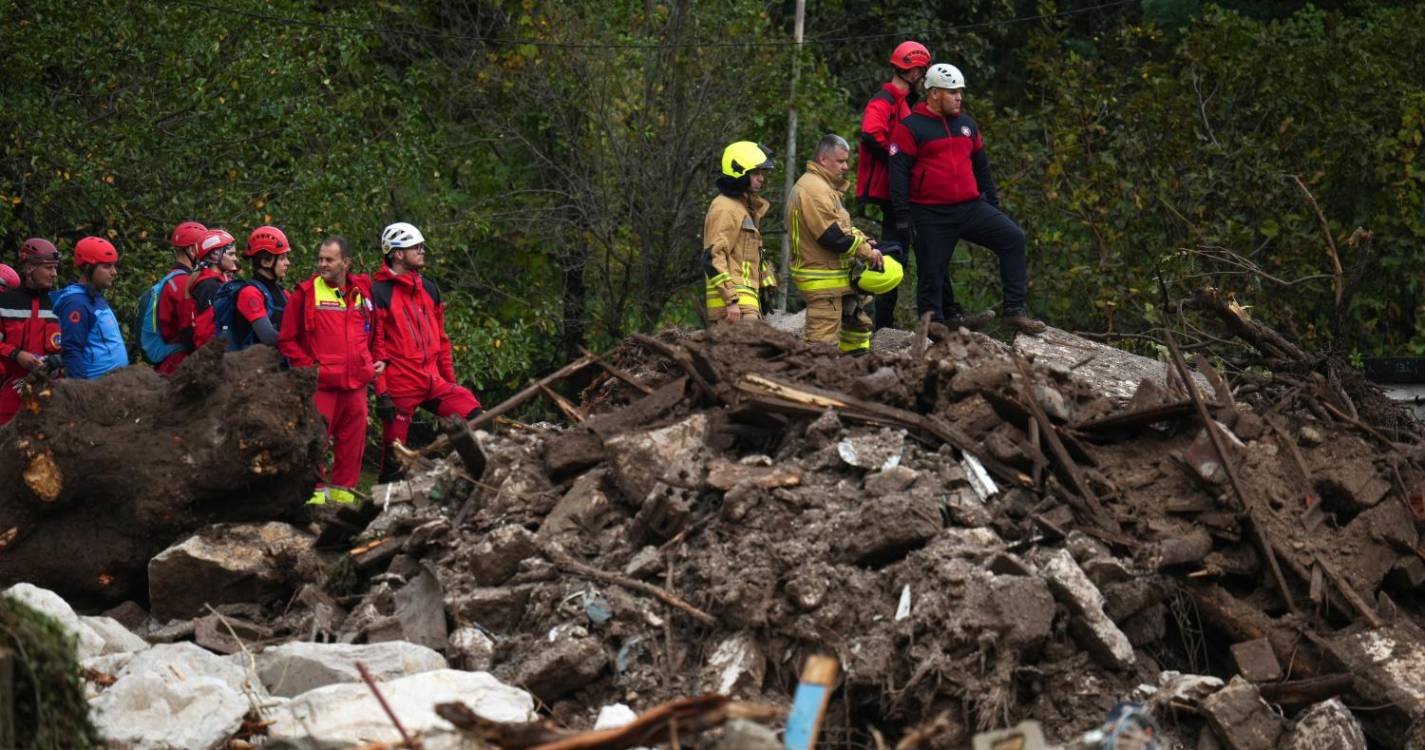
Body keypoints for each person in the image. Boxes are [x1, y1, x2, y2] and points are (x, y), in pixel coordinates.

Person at [889, 63, 1047, 334]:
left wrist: (993, 206)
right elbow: (898, 172)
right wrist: (903, 215)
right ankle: (933, 323)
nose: (959, 97)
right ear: (935, 93)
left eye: (960, 92)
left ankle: (1015, 312)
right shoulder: (911, 127)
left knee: (1012, 238)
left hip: (971, 207)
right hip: (930, 212)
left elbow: (981, 169)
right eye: (953, 92)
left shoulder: (967, 125)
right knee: (931, 268)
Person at [370, 222, 482, 483]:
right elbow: (376, 350)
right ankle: (379, 516)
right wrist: (382, 393)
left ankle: (468, 482)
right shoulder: (379, 293)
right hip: (400, 387)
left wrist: (450, 382)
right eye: (415, 246)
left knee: (479, 418)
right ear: (397, 253)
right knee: (393, 461)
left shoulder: (429, 288)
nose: (422, 250)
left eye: (421, 246)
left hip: (433, 382)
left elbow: (442, 340)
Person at [277, 236, 383, 505]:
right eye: (321, 259)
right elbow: (287, 340)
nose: (322, 264)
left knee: (352, 449)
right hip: (321, 386)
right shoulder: (305, 293)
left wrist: (376, 360)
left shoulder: (363, 292)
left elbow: (374, 331)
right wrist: (310, 369)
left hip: (357, 385)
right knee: (315, 448)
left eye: (329, 259)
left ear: (345, 263)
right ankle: (312, 507)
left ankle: (341, 507)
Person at [788, 134, 891, 355]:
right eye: (841, 161)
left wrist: (865, 241)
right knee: (821, 348)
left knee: (856, 330)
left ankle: (851, 375)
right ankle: (817, 385)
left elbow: (842, 227)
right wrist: (866, 252)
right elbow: (832, 237)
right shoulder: (813, 190)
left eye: (846, 161)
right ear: (823, 159)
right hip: (823, 282)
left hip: (836, 279)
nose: (845, 167)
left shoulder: (825, 188)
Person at [857, 41, 930, 330]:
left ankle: (889, 322)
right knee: (893, 254)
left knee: (902, 252)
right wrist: (899, 159)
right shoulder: (885, 99)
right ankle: (881, 325)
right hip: (890, 192)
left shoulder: (903, 104)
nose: (922, 78)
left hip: (899, 191)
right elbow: (871, 134)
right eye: (922, 72)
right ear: (913, 73)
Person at [703, 141, 774, 325]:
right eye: (756, 173)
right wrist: (731, 300)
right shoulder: (725, 208)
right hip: (735, 307)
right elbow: (713, 256)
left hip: (744, 303)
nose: (761, 178)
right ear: (740, 172)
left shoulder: (742, 208)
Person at [0, 239, 63, 424]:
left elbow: (76, 344)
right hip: (13, 389)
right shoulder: (5, 302)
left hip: (52, 389)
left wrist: (58, 360)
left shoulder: (59, 303)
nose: (54, 274)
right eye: (49, 268)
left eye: (55, 268)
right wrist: (17, 354)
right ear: (29, 268)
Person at [51, 236, 128, 380]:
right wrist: (81, 394)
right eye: (106, 266)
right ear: (88, 268)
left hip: (113, 388)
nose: (114, 272)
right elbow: (72, 351)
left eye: (113, 265)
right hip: (95, 390)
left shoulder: (93, 297)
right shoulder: (76, 303)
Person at [226, 225, 291, 350]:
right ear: (265, 262)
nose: (287, 263)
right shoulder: (250, 293)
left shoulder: (284, 293)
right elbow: (268, 337)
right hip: (252, 366)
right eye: (282, 258)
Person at [154, 220, 206, 373]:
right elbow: (189, 330)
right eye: (204, 249)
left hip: (170, 359)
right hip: (178, 363)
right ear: (192, 250)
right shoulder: (184, 283)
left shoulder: (172, 278)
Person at [187, 228, 239, 349]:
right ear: (214, 256)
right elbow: (205, 330)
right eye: (231, 254)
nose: (235, 258)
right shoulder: (209, 286)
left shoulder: (221, 281)